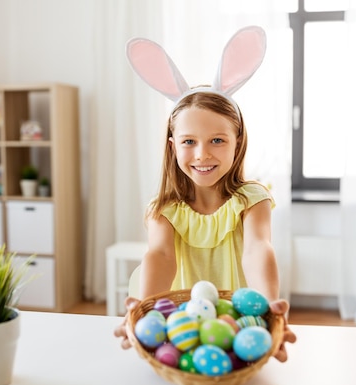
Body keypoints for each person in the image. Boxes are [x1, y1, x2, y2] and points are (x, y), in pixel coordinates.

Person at [114, 26, 296, 362]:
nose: (202, 154)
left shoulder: (252, 199)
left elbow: (258, 249)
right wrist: (143, 313)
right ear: (173, 146)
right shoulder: (164, 209)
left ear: (237, 141)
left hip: (236, 323)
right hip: (182, 326)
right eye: (188, 142)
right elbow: (160, 256)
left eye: (217, 140)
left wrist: (271, 309)